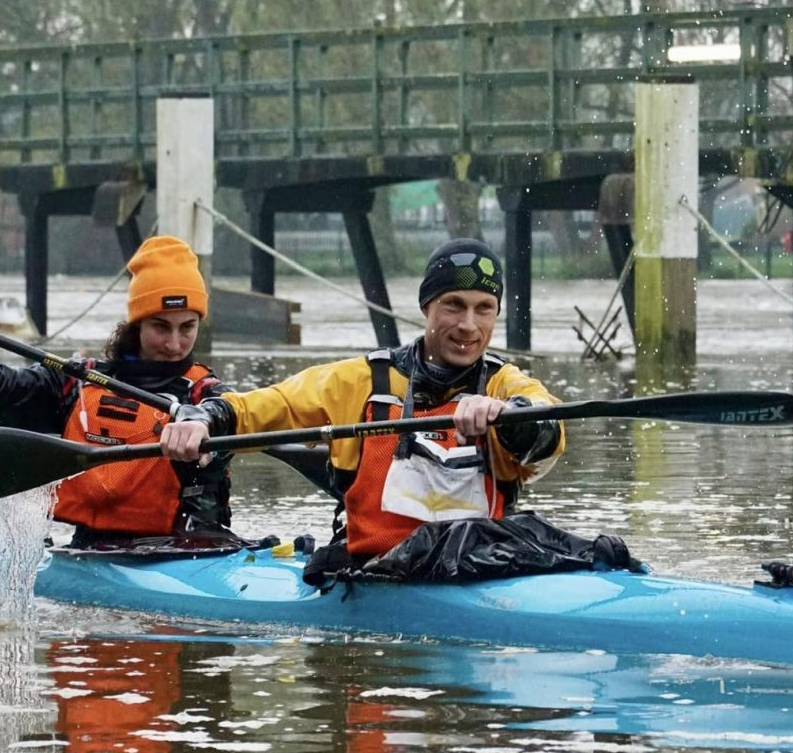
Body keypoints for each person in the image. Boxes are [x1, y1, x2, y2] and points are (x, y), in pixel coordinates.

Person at [160, 239, 620, 582]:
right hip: (376, 574)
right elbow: (263, 407)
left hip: (481, 571)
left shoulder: (505, 384)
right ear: (426, 307)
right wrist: (202, 418)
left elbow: (547, 427)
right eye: (453, 306)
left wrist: (508, 415)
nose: (468, 325)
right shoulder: (362, 381)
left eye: (484, 309)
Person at [0, 235, 233, 547]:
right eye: (161, 327)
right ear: (137, 325)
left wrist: (202, 421)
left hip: (192, 552)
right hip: (92, 549)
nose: (174, 344)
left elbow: (229, 410)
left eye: (187, 327)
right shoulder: (78, 383)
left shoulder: (205, 394)